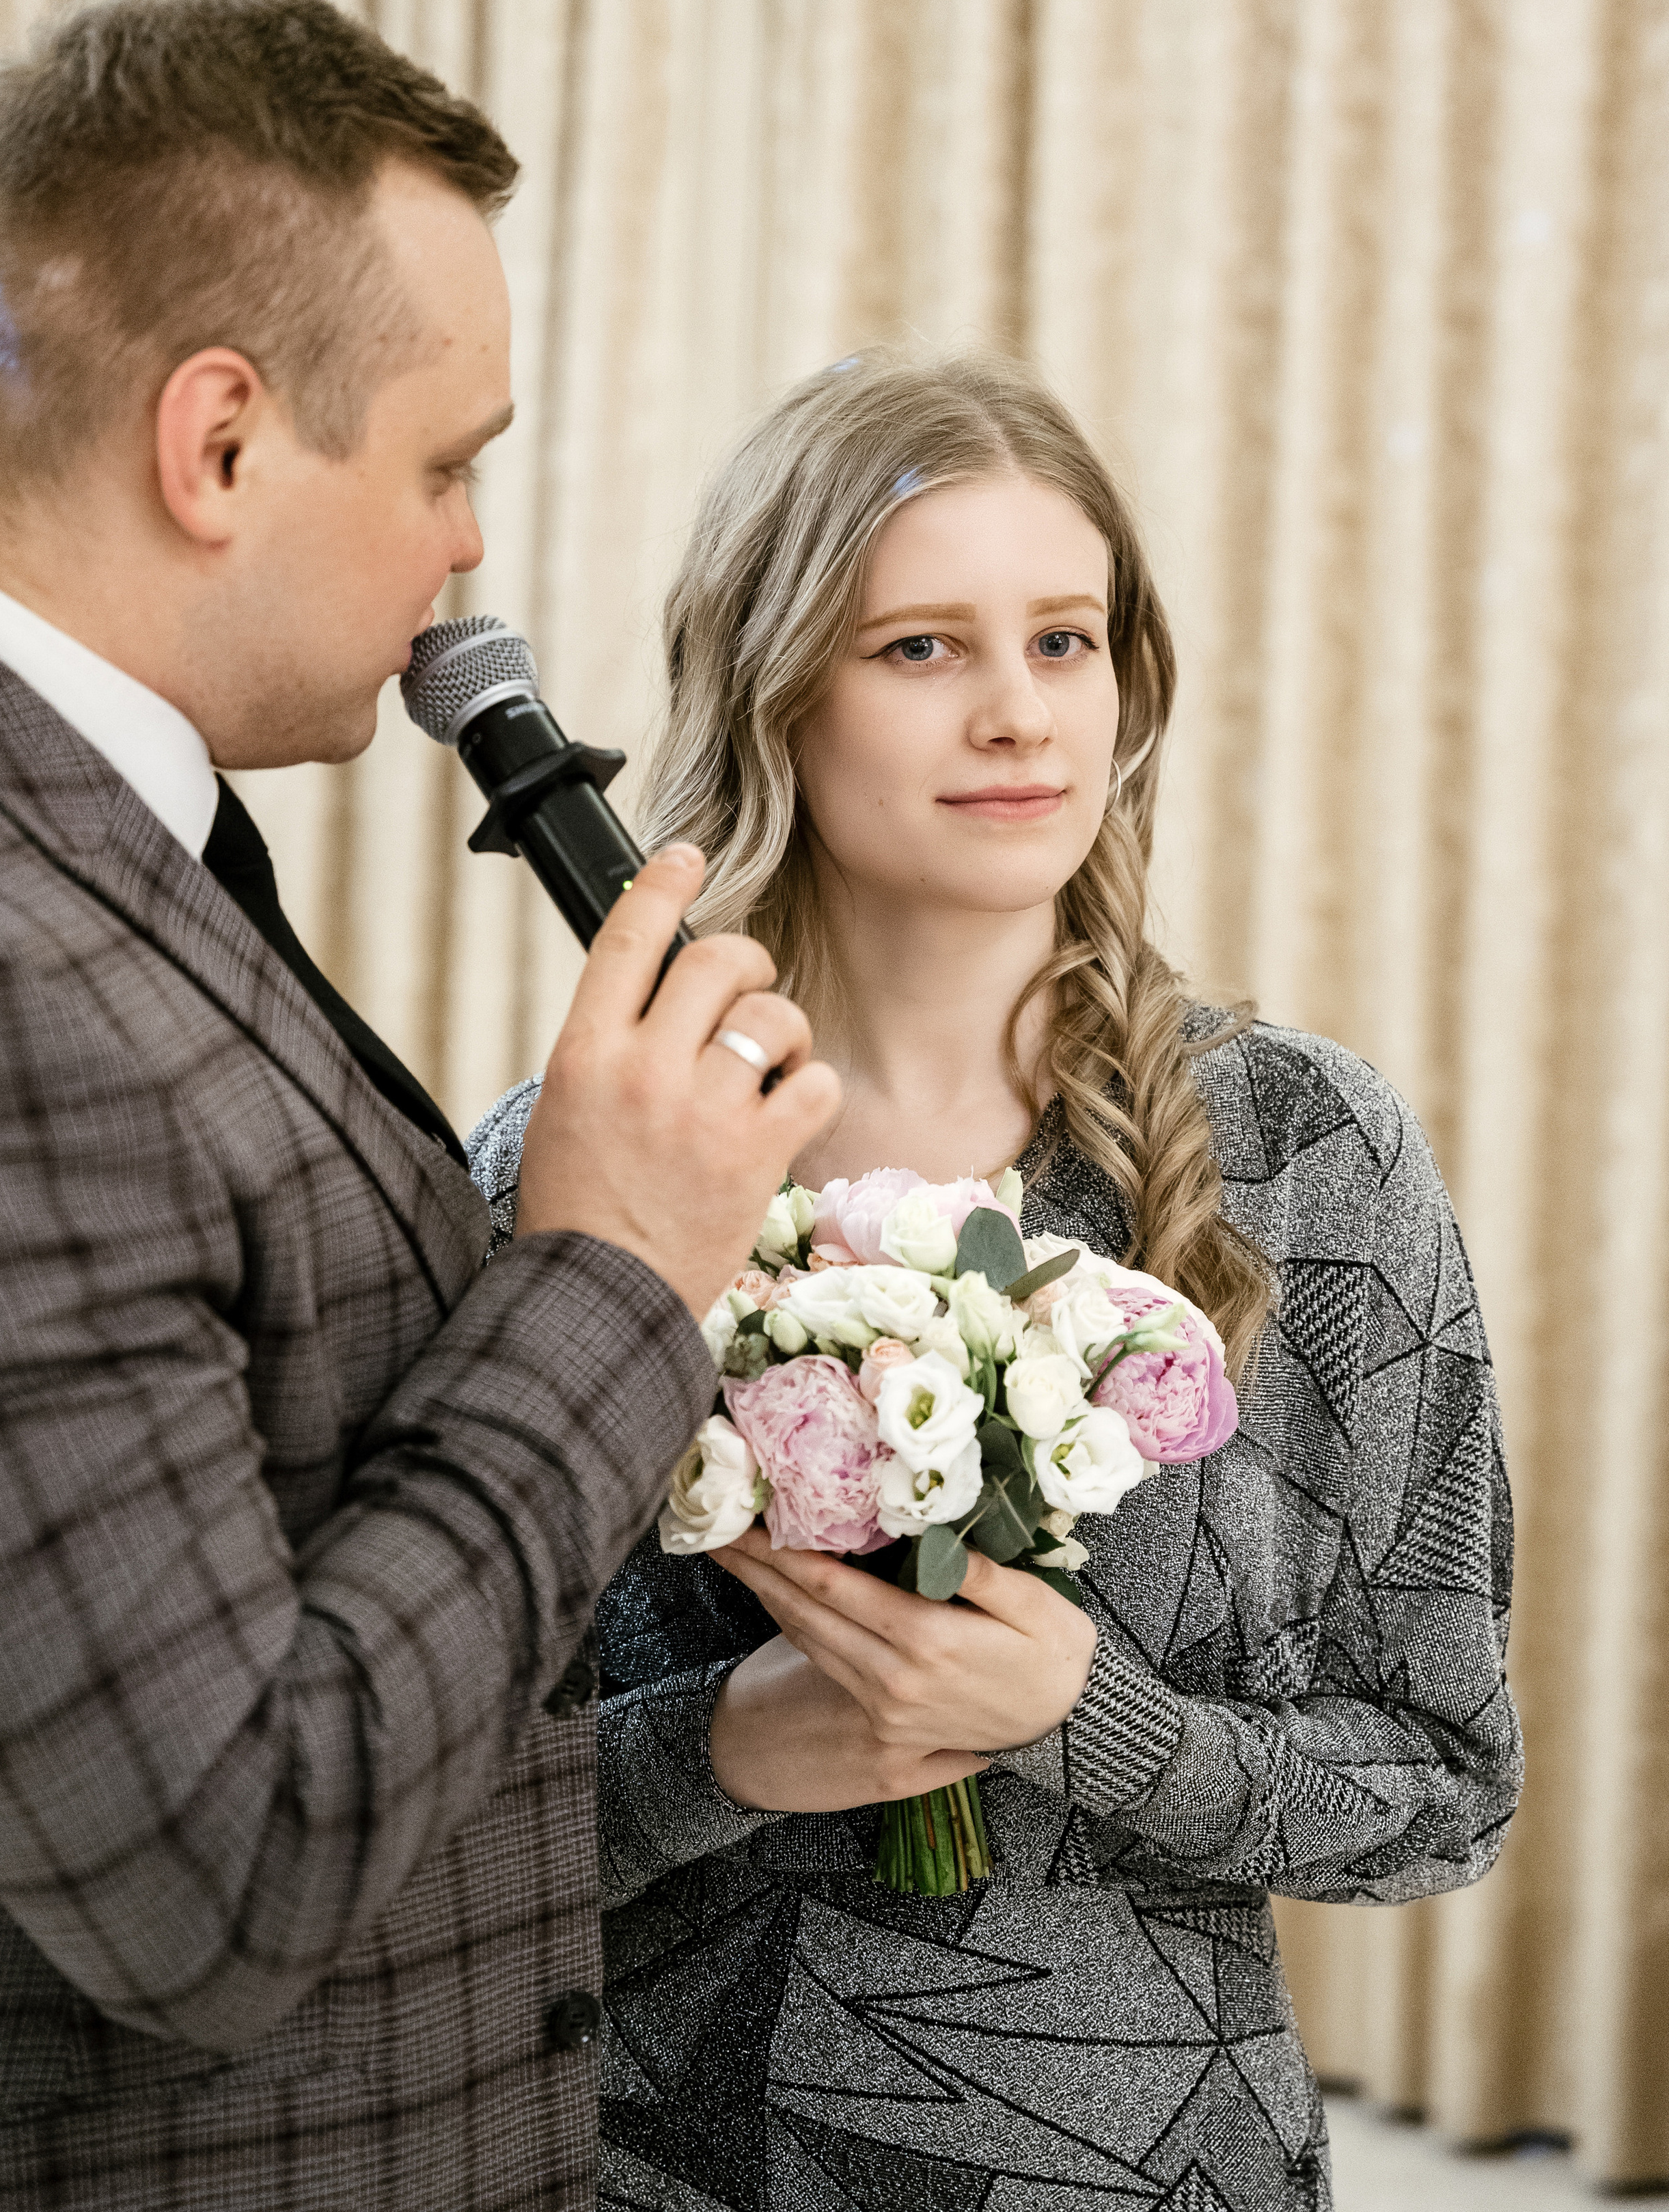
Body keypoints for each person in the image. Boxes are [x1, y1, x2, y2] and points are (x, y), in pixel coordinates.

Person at [0, 0, 838, 2212]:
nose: (466, 557)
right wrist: (617, 1272)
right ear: (217, 441)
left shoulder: (79, 832)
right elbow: (221, 1879)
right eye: (447, 464)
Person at [469, 351, 1524, 2212]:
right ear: (779, 691)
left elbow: (1446, 1785)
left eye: (1065, 640)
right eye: (921, 650)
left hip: (1161, 2167)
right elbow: (419, 1827)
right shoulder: (563, 1165)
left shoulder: (1313, 1156)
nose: (1022, 717)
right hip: (657, 2168)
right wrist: (731, 1748)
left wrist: (1090, 1723)